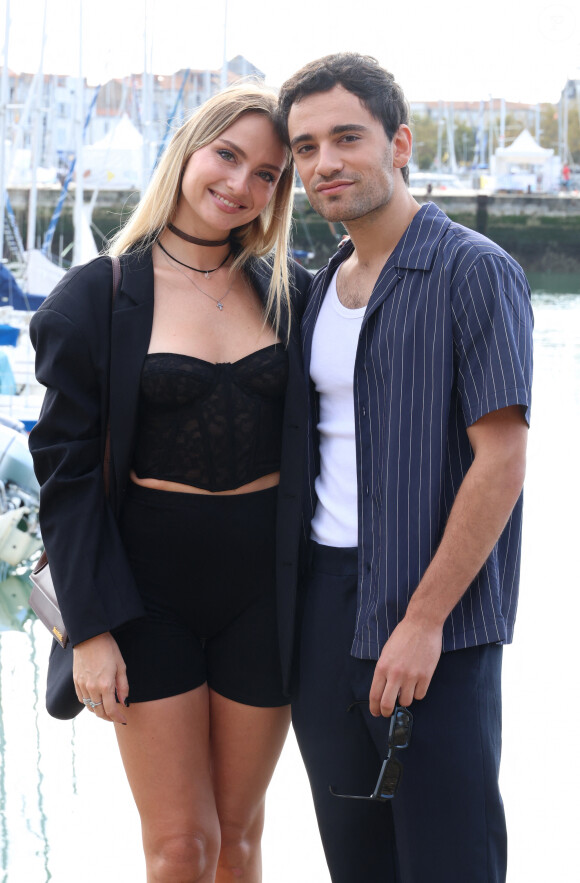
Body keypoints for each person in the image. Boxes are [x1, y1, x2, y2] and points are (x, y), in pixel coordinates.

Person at [29, 82, 311, 883]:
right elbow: (68, 476)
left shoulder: (289, 291)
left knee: (242, 837)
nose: (241, 183)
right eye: (228, 155)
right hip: (144, 593)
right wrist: (88, 629)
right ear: (188, 149)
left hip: (266, 591)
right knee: (181, 845)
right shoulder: (98, 296)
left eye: (268, 173)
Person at [277, 53, 533, 883]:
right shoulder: (317, 290)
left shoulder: (475, 271)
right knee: (356, 863)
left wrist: (423, 622)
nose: (326, 163)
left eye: (347, 137)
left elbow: (501, 458)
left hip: (440, 620)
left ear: (400, 142)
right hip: (326, 611)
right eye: (306, 146)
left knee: (451, 862)